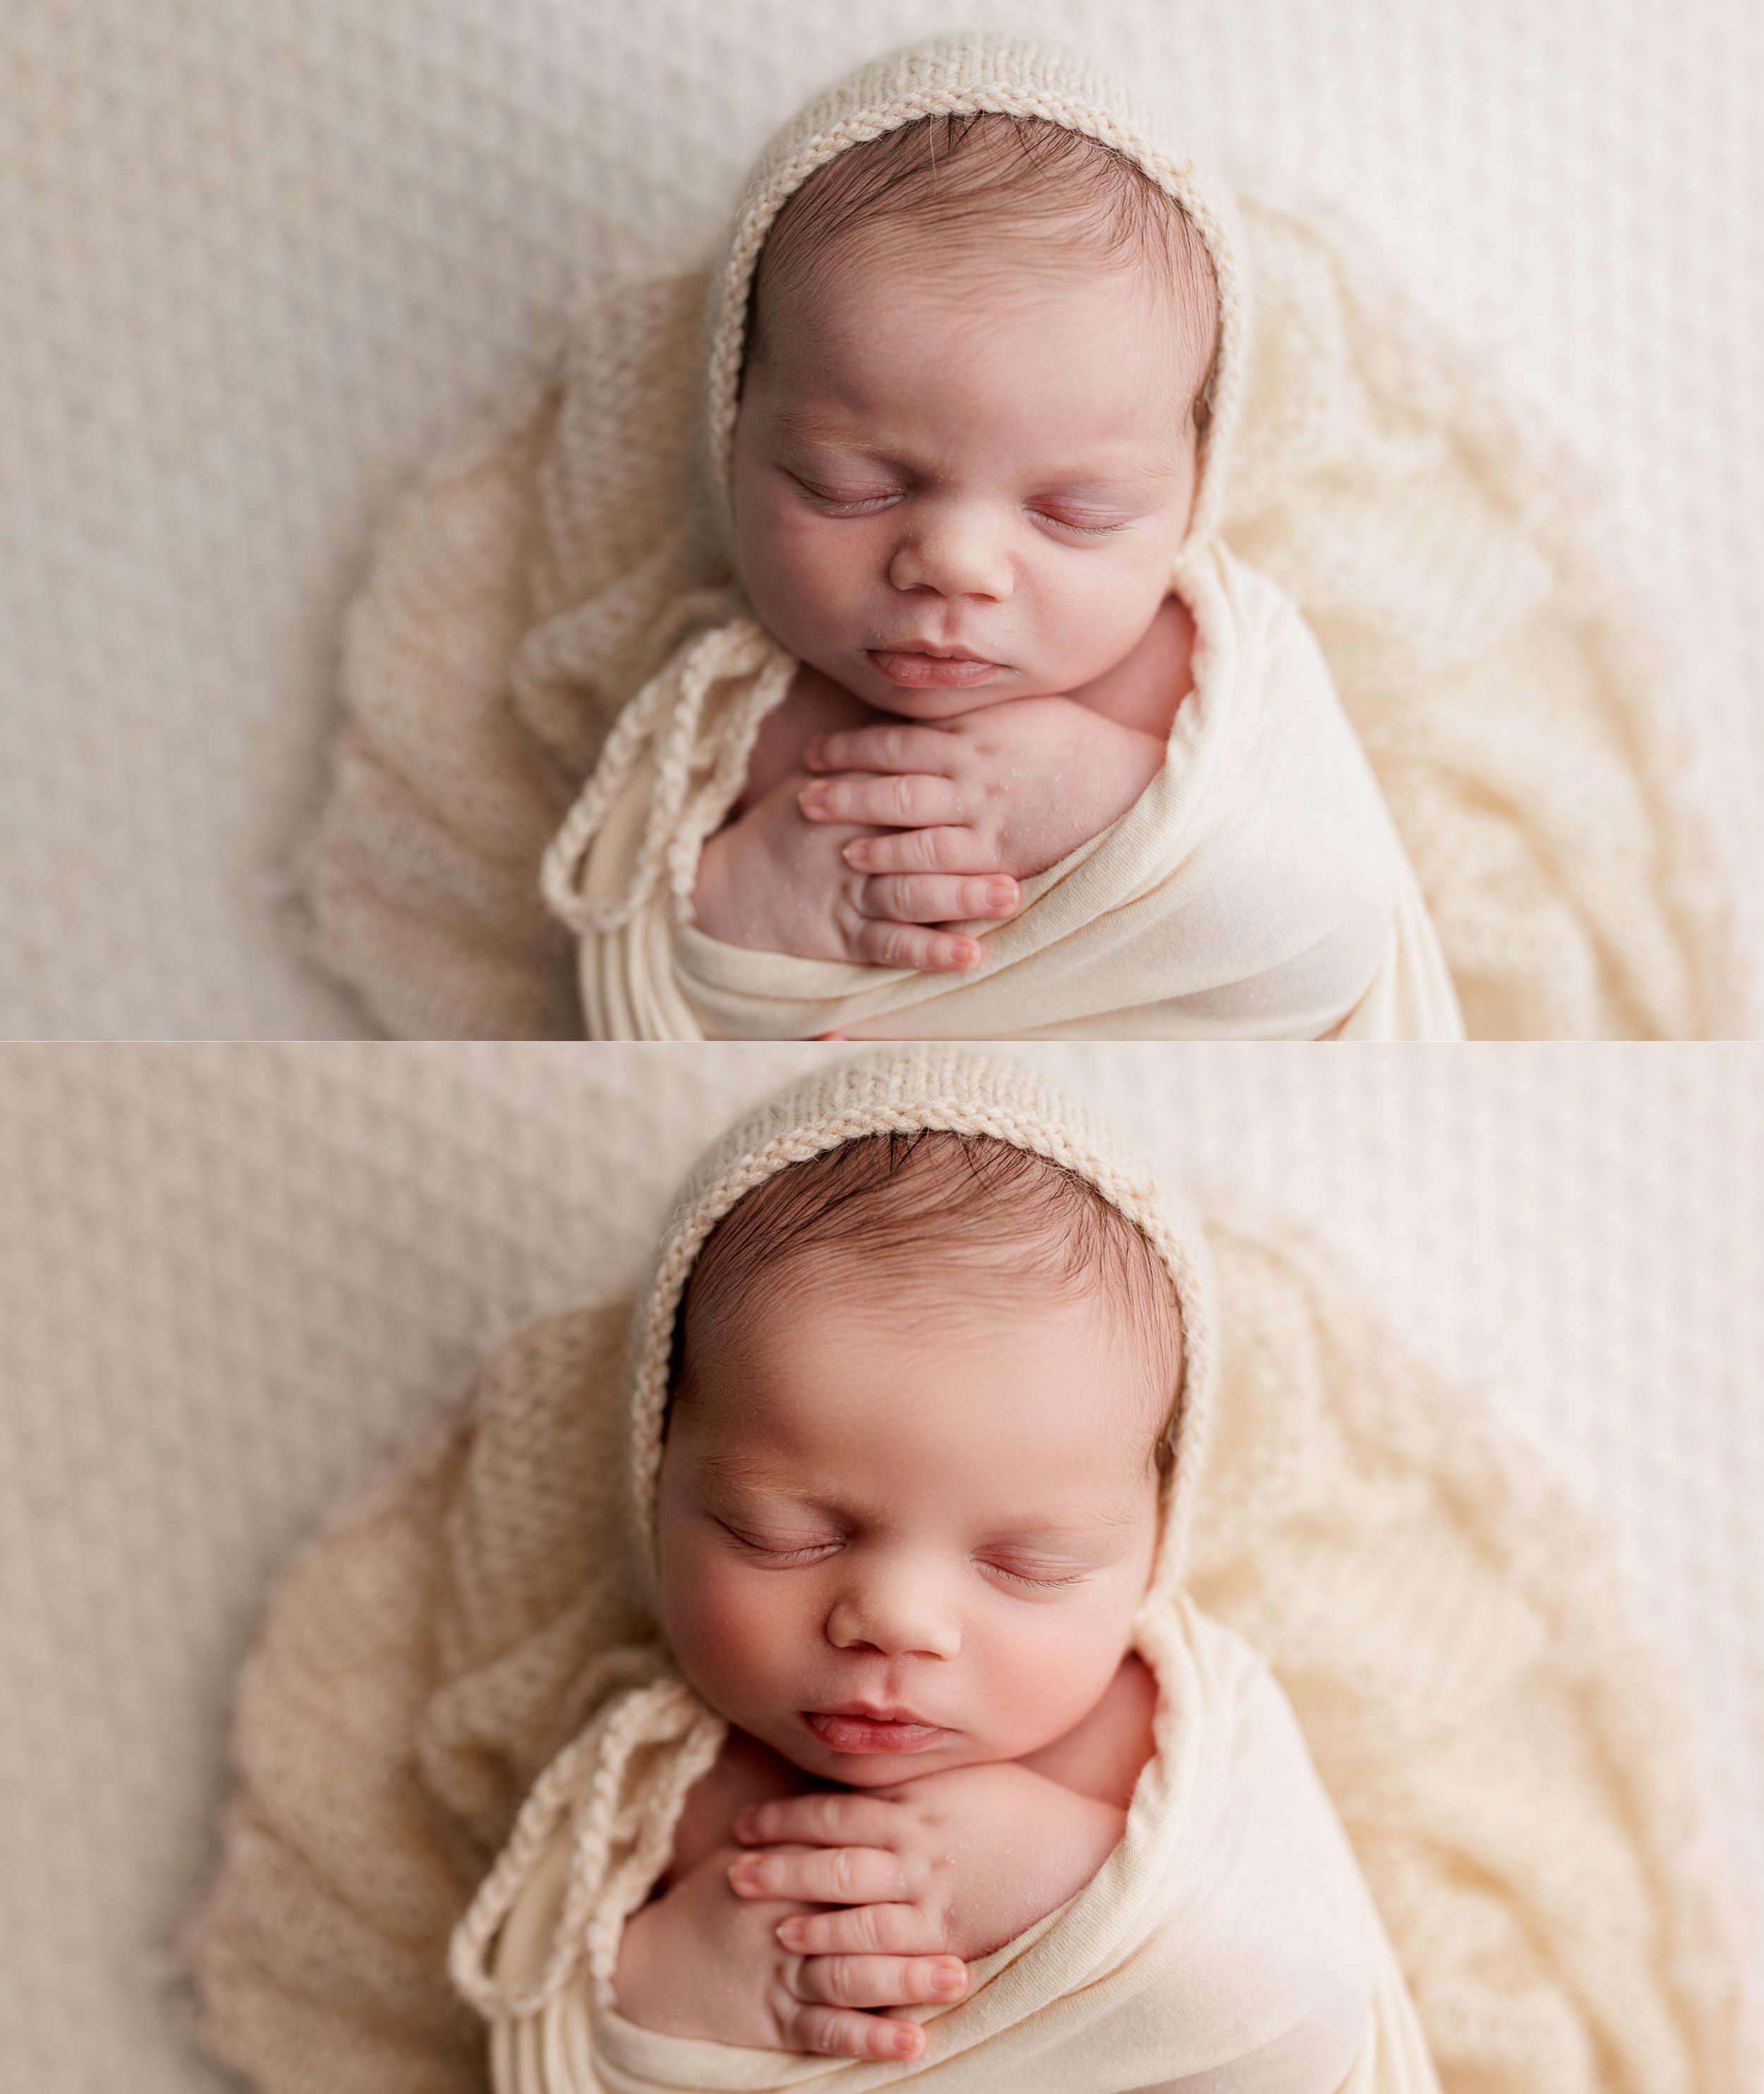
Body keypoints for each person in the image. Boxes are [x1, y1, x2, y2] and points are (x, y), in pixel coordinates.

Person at [453, 1053, 1442, 2089]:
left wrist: (1078, 1873)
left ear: (1155, 1546)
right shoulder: (658, 1788)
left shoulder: (1180, 1728)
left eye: (1030, 1564)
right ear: (656, 1482)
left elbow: (1318, 2013)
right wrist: (659, 1987)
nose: (897, 1620)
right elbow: (529, 2047)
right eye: (781, 1533)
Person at [541, 38, 1465, 1040]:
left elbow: (1335, 942)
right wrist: (736, 907)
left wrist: (1116, 799)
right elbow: (628, 1012)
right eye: (847, 486)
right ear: (731, 436)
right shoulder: (727, 715)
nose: (955, 566)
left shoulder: (1217, 663)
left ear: (1193, 496)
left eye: (1077, 514)